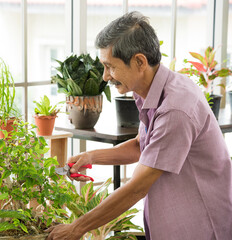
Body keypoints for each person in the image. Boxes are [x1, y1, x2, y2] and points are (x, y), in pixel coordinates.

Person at [46, 11, 232, 240]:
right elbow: (142, 146)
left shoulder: (175, 109)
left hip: (201, 228)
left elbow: (136, 187)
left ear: (139, 62)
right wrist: (91, 156)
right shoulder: (151, 90)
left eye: (110, 66)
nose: (105, 76)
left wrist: (76, 228)